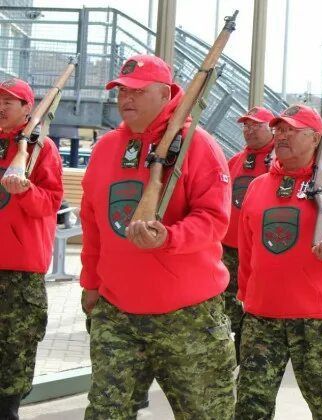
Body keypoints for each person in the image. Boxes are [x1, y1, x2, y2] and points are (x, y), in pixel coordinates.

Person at [80, 54, 235, 419]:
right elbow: (93, 223)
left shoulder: (198, 145)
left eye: (137, 91)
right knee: (105, 412)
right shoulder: (105, 149)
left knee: (206, 414)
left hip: (188, 317)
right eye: (121, 91)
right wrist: (90, 283)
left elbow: (214, 220)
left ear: (165, 94)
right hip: (117, 312)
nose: (126, 98)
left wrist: (169, 237)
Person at [234, 104, 322, 420]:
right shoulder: (258, 186)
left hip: (317, 317)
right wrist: (246, 297)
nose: (282, 136)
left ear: (315, 138)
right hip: (262, 316)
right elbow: (247, 249)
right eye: (279, 129)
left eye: (292, 130)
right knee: (250, 408)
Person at [0, 78, 63, 419]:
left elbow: (50, 203)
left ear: (27, 108)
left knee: (15, 349)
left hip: (20, 271)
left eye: (8, 101)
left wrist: (25, 191)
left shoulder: (42, 149)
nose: (1, 107)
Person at [222, 106, 275, 361]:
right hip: (228, 248)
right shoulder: (235, 160)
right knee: (226, 300)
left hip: (259, 250)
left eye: (256, 125)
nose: (249, 130)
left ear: (271, 129)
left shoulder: (277, 162)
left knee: (257, 302)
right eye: (246, 125)